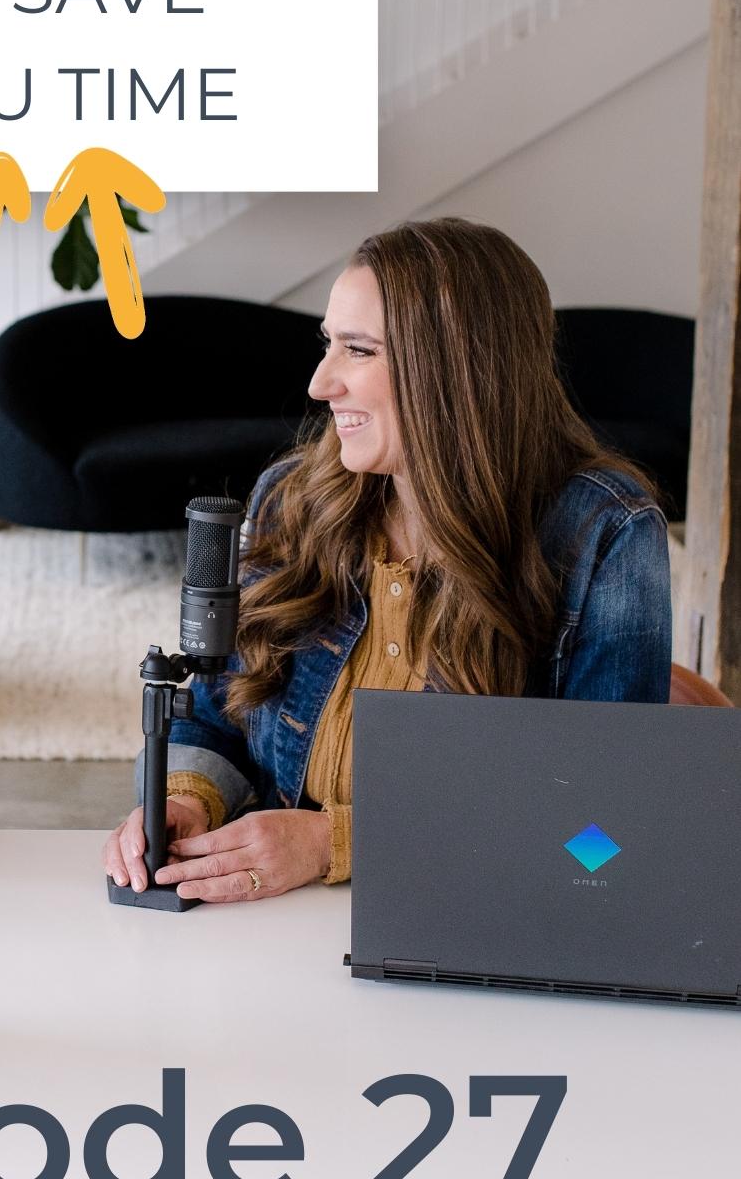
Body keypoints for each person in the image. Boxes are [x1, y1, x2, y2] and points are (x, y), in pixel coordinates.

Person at [104, 218, 672, 904]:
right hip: (273, 921)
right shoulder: (290, 498)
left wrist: (332, 844)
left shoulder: (605, 533)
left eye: (359, 350)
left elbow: (603, 831)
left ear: (456, 369)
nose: (319, 383)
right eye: (328, 345)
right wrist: (187, 797)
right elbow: (214, 712)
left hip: (475, 922)